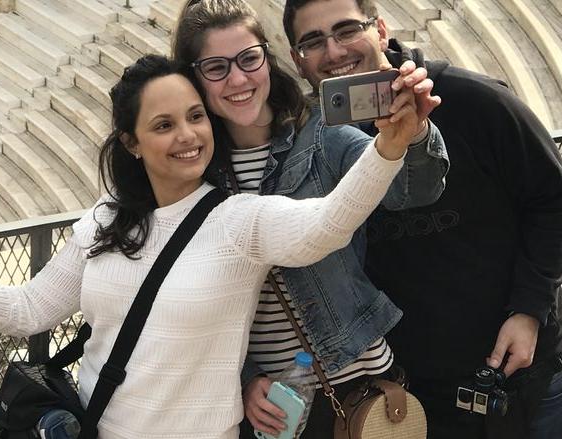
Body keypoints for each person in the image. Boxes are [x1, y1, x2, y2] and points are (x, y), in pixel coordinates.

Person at [0, 54, 425, 439]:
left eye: (197, 117)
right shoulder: (103, 222)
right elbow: (29, 309)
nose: (188, 136)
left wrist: (390, 147)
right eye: (164, 124)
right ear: (130, 142)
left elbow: (328, 224)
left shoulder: (240, 222)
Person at [280, 0, 562, 437]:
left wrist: (528, 311)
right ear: (297, 60)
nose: (334, 51)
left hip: (519, 378)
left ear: (380, 30)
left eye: (347, 30)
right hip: (412, 395)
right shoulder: (310, 144)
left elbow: (555, 199)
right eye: (313, 41)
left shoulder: (473, 99)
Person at [172, 1, 448, 437]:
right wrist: (244, 379)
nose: (239, 79)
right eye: (216, 67)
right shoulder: (192, 171)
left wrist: (410, 134)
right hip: (270, 406)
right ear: (193, 76)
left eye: (249, 59)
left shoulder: (322, 134)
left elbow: (410, 191)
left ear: (267, 56)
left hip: (355, 387)